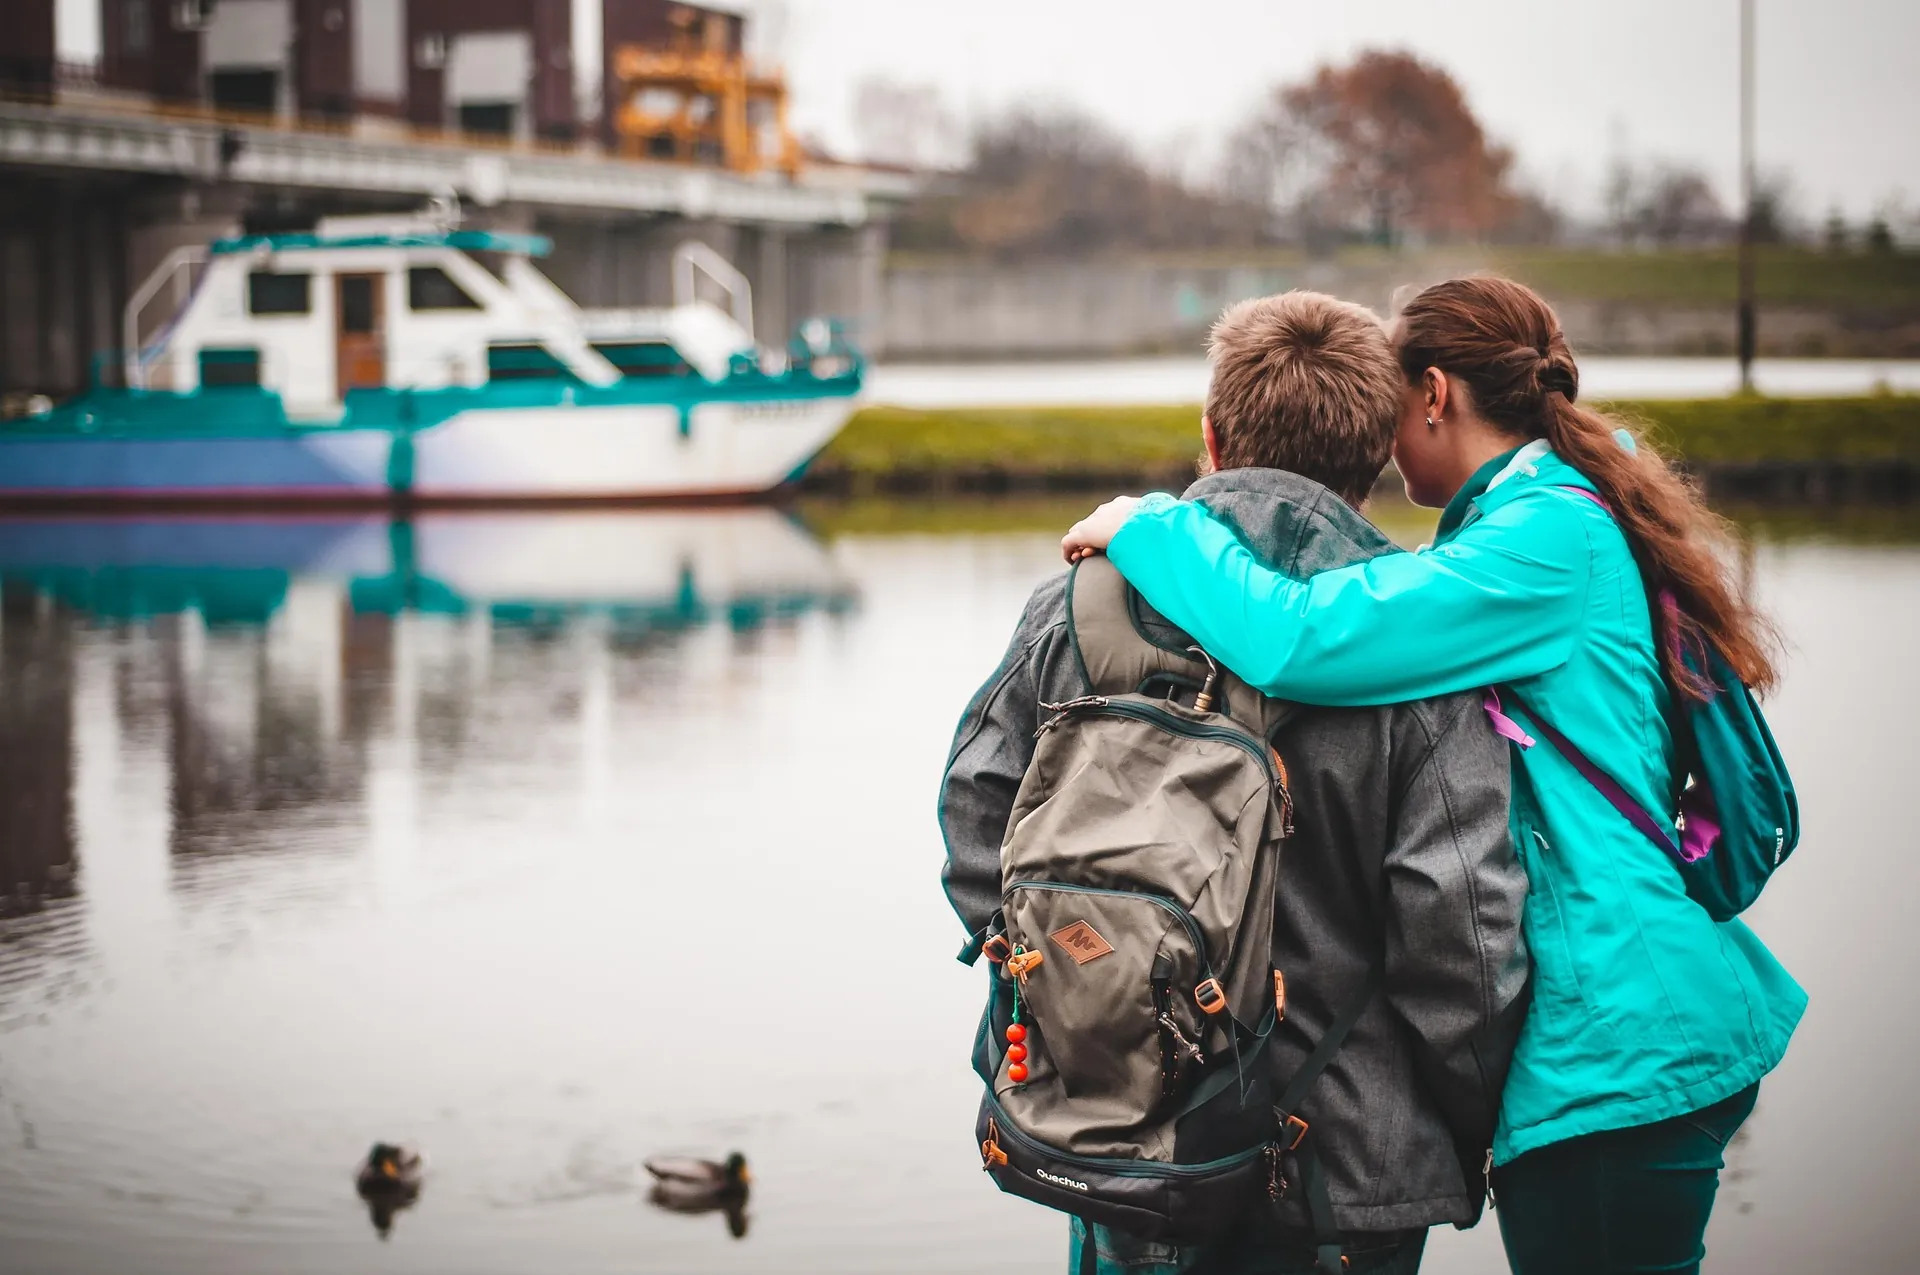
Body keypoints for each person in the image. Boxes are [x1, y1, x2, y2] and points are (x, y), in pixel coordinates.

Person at [1060, 276, 1806, 1275]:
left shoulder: (1544, 538)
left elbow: (1300, 637)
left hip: (1621, 1040)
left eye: (1391, 406)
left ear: (1436, 395)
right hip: (1624, 1032)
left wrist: (1156, 529)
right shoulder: (1546, 511)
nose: (1379, 440)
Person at [941, 291, 1530, 1275]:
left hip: (1127, 1143)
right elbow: (1463, 934)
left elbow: (978, 822)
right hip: (1344, 1176)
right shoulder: (1420, 644)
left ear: (1210, 437)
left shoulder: (1077, 604)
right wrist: (1458, 1123)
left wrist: (1080, 998)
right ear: (1381, 455)